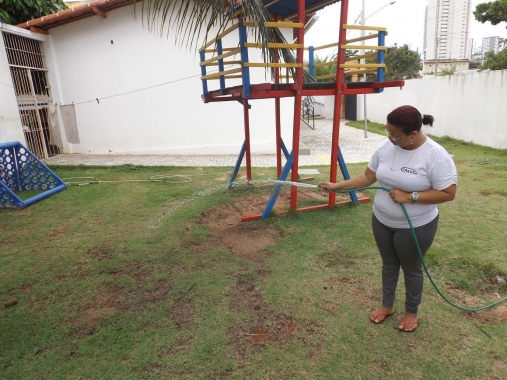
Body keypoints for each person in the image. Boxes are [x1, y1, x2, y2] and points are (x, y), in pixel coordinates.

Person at [319, 105, 457, 333]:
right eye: (388, 132)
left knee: (411, 268)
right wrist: (337, 187)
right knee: (389, 264)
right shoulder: (387, 146)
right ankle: (387, 305)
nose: (390, 138)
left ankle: (411, 311)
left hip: (415, 226)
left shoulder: (436, 155)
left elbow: (448, 193)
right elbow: (367, 176)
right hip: (381, 221)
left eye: (396, 135)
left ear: (413, 134)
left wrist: (410, 196)